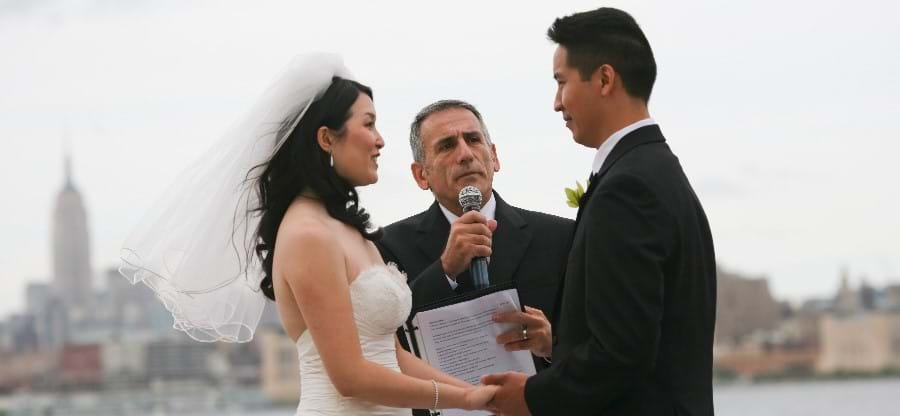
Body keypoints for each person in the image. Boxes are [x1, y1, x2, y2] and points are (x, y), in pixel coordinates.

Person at [120, 54, 496, 415]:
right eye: (368, 124)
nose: (380, 140)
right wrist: (463, 402)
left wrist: (480, 394)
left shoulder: (349, 230)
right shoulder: (306, 234)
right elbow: (350, 377)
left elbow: (392, 354)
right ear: (327, 139)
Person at [483, 8, 717, 416]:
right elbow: (647, 333)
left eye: (561, 83)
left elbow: (622, 353)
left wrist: (531, 395)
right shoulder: (657, 169)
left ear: (605, 79)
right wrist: (559, 344)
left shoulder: (627, 189)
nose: (556, 103)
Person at [375, 100, 573, 387]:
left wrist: (551, 346)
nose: (465, 154)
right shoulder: (388, 246)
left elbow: (595, 349)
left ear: (494, 157)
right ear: (421, 175)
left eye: (473, 139)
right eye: (446, 146)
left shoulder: (560, 236)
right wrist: (445, 270)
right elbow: (387, 347)